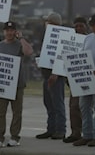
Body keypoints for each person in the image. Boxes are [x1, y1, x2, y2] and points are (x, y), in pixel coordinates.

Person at [0, 21, 34, 148]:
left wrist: (21, 38)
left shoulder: (19, 45)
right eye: (7, 30)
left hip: (17, 84)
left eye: (12, 30)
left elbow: (29, 52)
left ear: (15, 31)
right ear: (3, 31)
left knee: (16, 112)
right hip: (1, 84)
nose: (9, 33)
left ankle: (15, 137)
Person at [73, 14, 95, 147]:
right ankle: (87, 134)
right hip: (86, 76)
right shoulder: (88, 38)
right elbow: (81, 55)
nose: (93, 28)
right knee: (84, 106)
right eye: (91, 26)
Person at [35, 12, 67, 140]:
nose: (46, 24)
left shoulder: (61, 37)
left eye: (48, 21)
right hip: (46, 75)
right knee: (48, 103)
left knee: (58, 104)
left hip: (56, 77)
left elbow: (61, 57)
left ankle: (60, 129)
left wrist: (56, 73)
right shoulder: (47, 37)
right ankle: (51, 129)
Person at [63, 16, 88, 143]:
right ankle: (75, 132)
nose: (78, 28)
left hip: (88, 78)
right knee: (73, 106)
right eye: (76, 26)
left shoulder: (90, 40)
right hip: (74, 78)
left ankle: (88, 132)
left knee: (86, 107)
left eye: (81, 26)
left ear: (85, 27)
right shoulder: (70, 42)